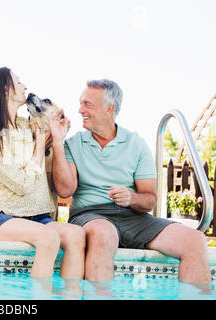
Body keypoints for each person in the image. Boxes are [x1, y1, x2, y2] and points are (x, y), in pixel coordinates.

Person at [49, 79, 211, 285]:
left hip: (133, 218)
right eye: (81, 103)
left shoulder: (136, 144)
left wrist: (131, 198)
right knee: (104, 232)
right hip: (90, 215)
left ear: (110, 108)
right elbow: (64, 190)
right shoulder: (73, 143)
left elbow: (149, 200)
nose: (80, 110)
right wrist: (57, 141)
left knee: (194, 240)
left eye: (87, 104)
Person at [0, 67, 85, 280]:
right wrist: (40, 144)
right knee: (48, 238)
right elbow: (23, 184)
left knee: (76, 235)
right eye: (19, 81)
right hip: (2, 217)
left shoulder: (28, 126)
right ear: (6, 90)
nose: (25, 86)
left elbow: (50, 122)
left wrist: (57, 133)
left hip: (39, 218)